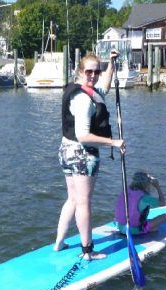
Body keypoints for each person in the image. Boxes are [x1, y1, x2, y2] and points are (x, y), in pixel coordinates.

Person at [53, 51, 125, 260]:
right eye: (89, 71)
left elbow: (105, 88)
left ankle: (59, 242)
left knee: (73, 199)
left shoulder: (76, 90)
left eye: (97, 71)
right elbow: (83, 136)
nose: (93, 75)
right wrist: (114, 142)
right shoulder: (84, 101)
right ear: (80, 71)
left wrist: (111, 64)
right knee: (84, 202)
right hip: (82, 155)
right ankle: (88, 251)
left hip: (66, 151)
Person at [115, 171, 166, 235]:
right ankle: (144, 230)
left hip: (119, 226)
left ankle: (144, 228)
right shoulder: (144, 198)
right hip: (131, 230)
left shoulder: (126, 190)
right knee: (164, 217)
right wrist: (157, 186)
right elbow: (162, 204)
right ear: (146, 184)